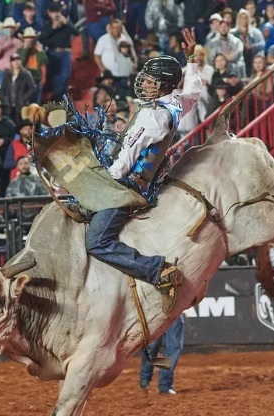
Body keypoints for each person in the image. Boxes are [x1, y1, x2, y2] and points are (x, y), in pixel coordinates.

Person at [84, 28, 201, 315]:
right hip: (145, 183)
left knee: (96, 242)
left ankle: (158, 271)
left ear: (163, 87)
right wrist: (191, 59)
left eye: (151, 81)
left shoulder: (151, 116)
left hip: (127, 187)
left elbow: (125, 159)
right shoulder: (174, 104)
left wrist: (100, 184)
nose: (145, 83)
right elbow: (194, 92)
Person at [139, 312, 185, 395]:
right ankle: (145, 376)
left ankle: (165, 384)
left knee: (174, 346)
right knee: (152, 346)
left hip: (174, 308)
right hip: (154, 309)